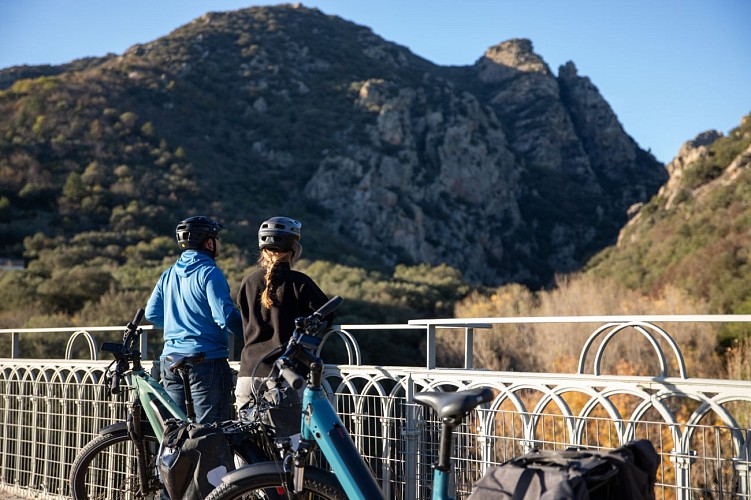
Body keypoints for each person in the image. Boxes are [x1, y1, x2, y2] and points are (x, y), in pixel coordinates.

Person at [145, 215, 242, 424]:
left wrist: (177, 325)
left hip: (170, 361)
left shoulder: (168, 274)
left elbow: (151, 313)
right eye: (217, 239)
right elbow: (225, 316)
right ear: (209, 243)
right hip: (205, 361)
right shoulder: (210, 273)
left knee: (175, 432)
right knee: (210, 433)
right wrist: (252, 332)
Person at [235, 216, 332, 416]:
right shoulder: (300, 283)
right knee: (290, 444)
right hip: (282, 375)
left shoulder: (248, 282)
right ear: (293, 250)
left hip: (247, 373)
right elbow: (326, 315)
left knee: (251, 443)